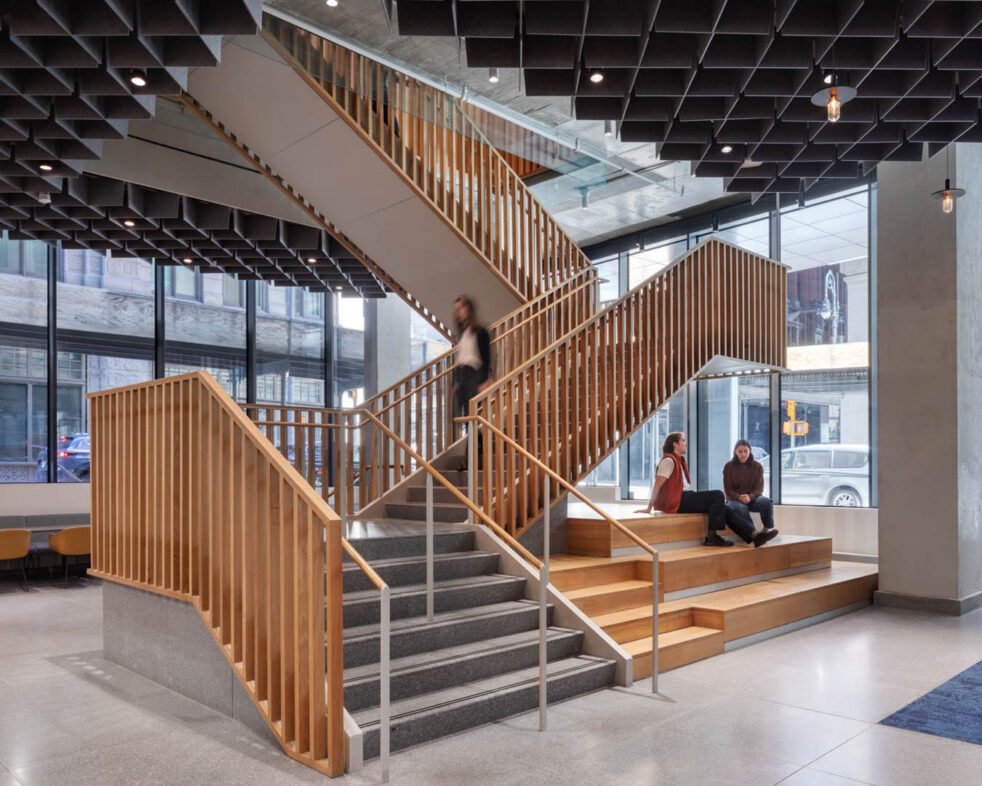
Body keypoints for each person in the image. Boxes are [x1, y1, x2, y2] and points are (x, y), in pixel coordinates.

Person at [635, 432, 733, 547]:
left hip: (685, 496)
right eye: (683, 441)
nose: (686, 444)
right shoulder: (668, 461)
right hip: (678, 500)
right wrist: (649, 507)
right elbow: (657, 485)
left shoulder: (679, 460)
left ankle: (750, 535)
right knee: (718, 495)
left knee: (723, 506)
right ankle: (711, 537)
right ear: (675, 444)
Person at [452, 296, 491, 465]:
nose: (459, 312)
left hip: (474, 375)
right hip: (463, 376)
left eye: (461, 308)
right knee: (467, 418)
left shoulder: (480, 331)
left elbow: (485, 357)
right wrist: (456, 382)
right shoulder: (462, 333)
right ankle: (474, 456)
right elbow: (459, 359)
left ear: (469, 308)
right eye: (457, 310)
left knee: (472, 417)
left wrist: (486, 379)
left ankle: (475, 458)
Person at [723, 439, 779, 547]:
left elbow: (759, 488)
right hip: (734, 499)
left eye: (745, 451)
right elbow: (728, 490)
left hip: (753, 498)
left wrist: (750, 496)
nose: (743, 454)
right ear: (735, 452)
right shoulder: (728, 466)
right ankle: (755, 535)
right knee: (740, 508)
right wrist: (739, 497)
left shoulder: (757, 466)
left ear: (750, 451)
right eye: (740, 451)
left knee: (766, 502)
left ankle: (766, 531)